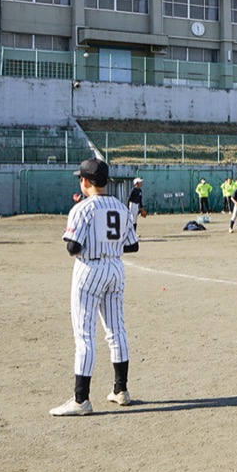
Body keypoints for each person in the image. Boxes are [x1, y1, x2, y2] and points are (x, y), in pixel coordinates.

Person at [51, 158, 139, 416]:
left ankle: (81, 400)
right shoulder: (120, 207)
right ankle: (121, 390)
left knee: (84, 335)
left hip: (89, 270)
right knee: (116, 329)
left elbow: (72, 248)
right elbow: (133, 245)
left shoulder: (82, 208)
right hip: (115, 268)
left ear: (85, 181)